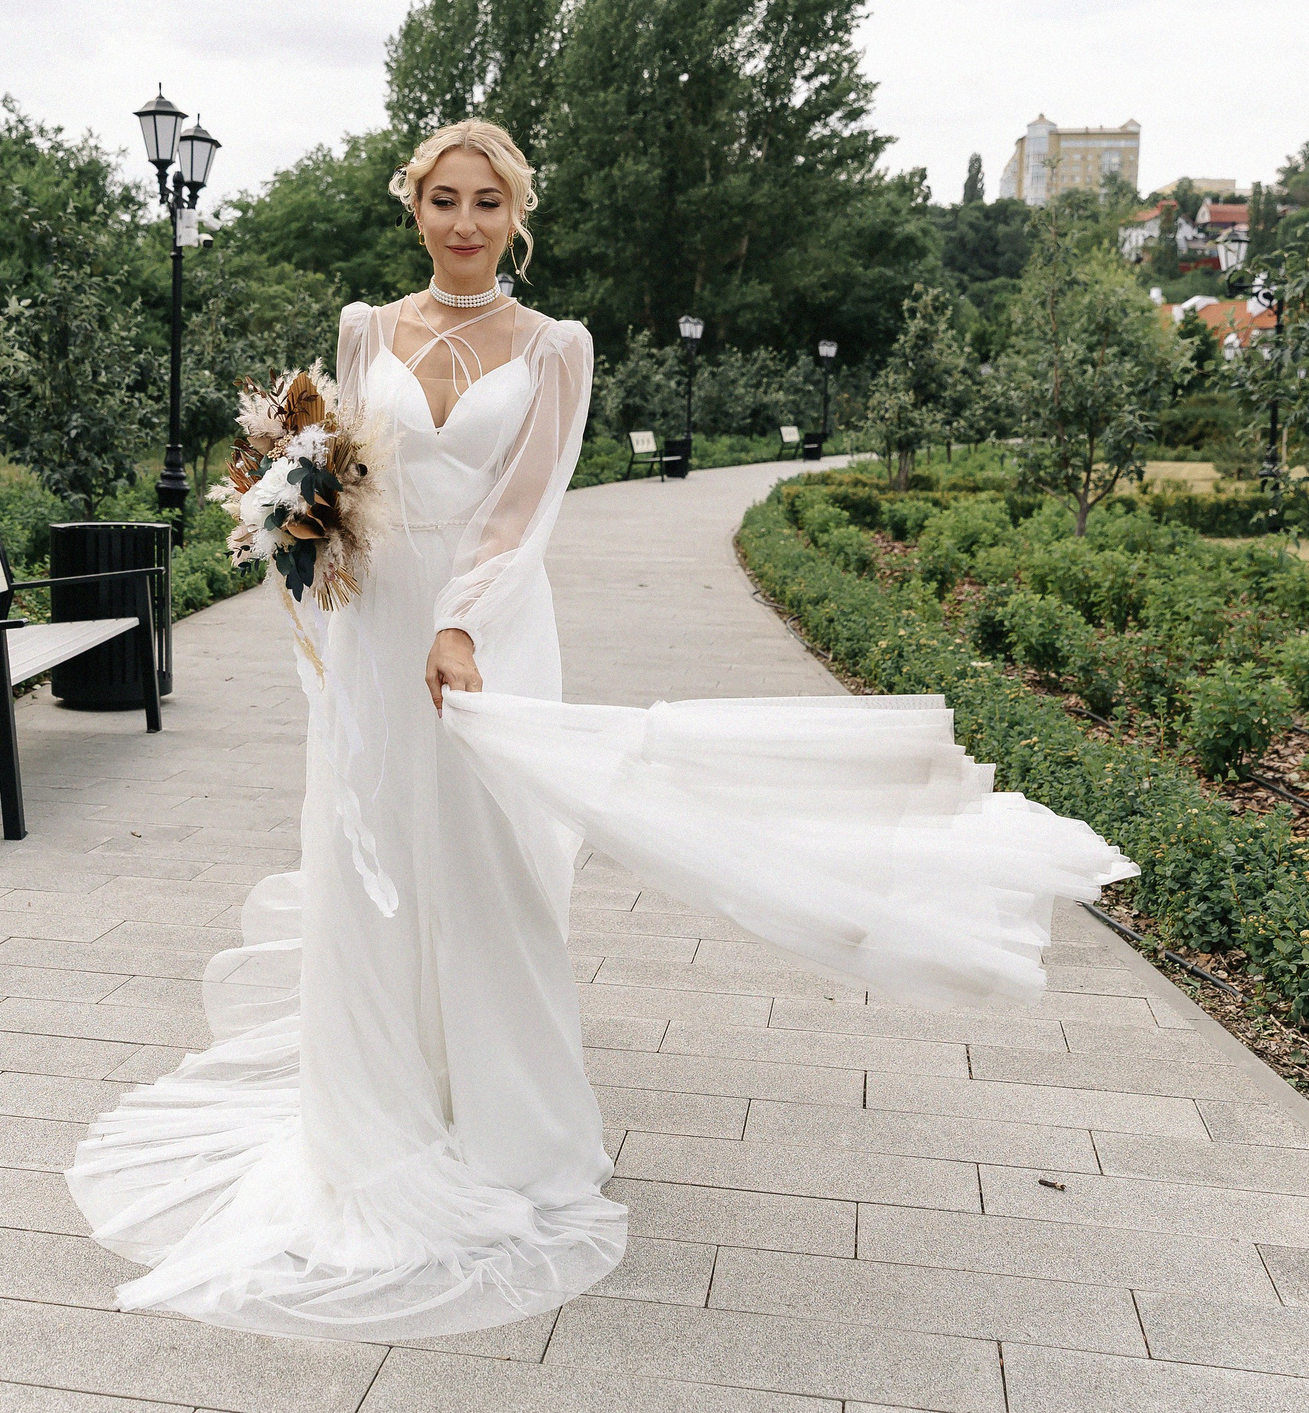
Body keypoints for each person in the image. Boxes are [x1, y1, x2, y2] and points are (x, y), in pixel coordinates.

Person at [66, 119, 1133, 1341]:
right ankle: (372, 1118)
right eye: (443, 200)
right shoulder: (365, 330)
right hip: (372, 633)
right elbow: (336, 473)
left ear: (517, 217)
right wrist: (295, 527)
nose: (463, 223)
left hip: (483, 625)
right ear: (414, 208)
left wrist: (459, 623)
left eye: (487, 203)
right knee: (374, 868)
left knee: (488, 867)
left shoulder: (552, 346)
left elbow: (524, 510)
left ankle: (510, 1128)